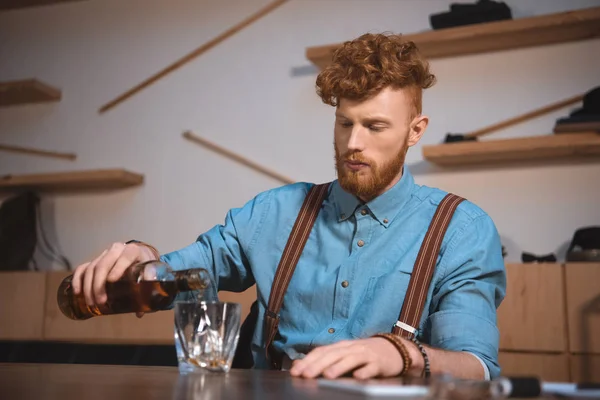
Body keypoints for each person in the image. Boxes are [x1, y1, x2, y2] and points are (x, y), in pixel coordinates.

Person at [72, 32, 506, 381]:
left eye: (375, 126)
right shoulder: (274, 213)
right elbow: (190, 274)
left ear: (415, 131)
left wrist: (399, 353)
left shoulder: (461, 230)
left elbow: (477, 367)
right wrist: (144, 258)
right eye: (344, 123)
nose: (354, 143)